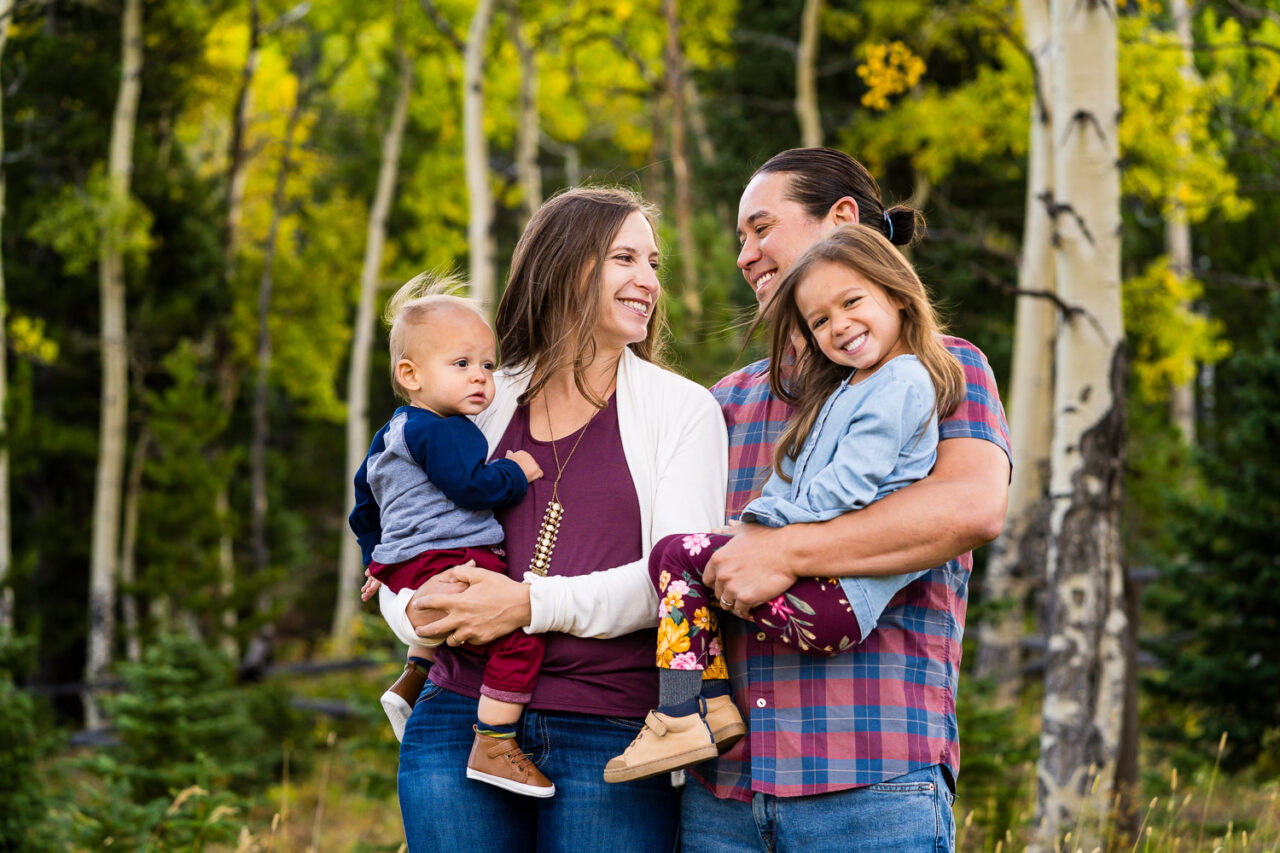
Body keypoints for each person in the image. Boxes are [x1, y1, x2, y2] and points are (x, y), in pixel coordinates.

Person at [374, 187, 728, 852]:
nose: (649, 280)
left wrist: (527, 604)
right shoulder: (480, 394)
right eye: (625, 257)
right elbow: (404, 525)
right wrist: (410, 608)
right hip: (459, 715)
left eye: (654, 263)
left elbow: (679, 586)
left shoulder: (683, 411)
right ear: (565, 266)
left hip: (609, 726)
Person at [682, 148, 1012, 853]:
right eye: (739, 239)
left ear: (841, 219)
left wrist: (781, 549)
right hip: (721, 801)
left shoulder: (943, 369)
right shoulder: (725, 403)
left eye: (761, 228)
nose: (747, 254)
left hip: (872, 784)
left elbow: (970, 508)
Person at [602, 223, 966, 785]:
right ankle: (715, 704)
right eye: (820, 321)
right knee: (693, 562)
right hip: (823, 599)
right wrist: (751, 529)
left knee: (675, 557)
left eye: (852, 303)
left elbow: (848, 485)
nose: (838, 326)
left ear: (896, 293)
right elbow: (796, 481)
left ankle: (683, 713)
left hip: (834, 602)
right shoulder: (853, 386)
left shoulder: (903, 380)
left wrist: (760, 526)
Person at [349, 276, 556, 797]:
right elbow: (469, 487)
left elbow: (363, 505)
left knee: (445, 611)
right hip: (453, 554)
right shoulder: (445, 430)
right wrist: (517, 472)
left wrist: (377, 563)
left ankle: (415, 676)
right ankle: (494, 741)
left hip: (408, 562)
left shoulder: (391, 433)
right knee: (518, 632)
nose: (480, 379)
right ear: (410, 374)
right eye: (461, 365)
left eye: (487, 365)